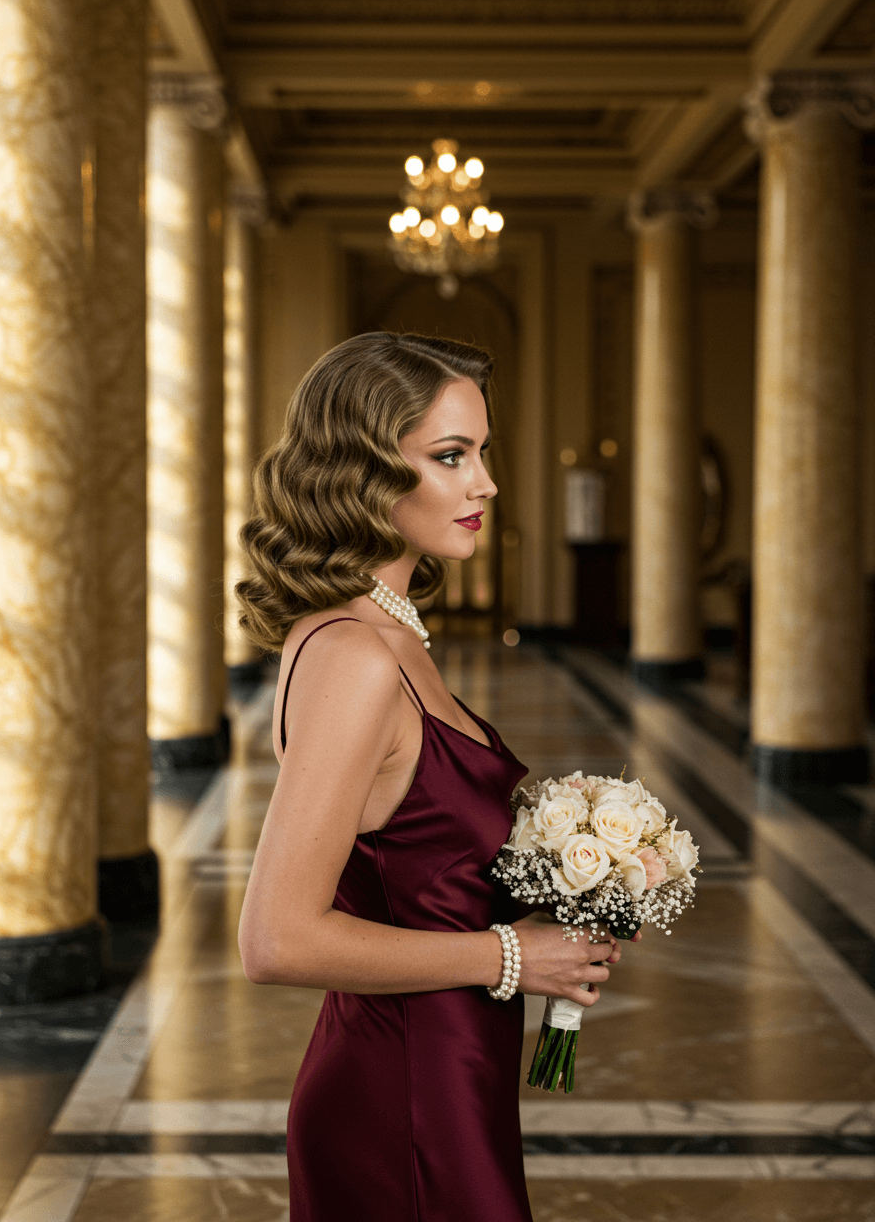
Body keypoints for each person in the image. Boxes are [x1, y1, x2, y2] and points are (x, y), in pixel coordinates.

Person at [236, 331, 631, 1222]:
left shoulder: (393, 634)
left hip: (450, 1076)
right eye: (450, 456)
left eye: (481, 452)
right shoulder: (354, 657)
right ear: (364, 472)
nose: (484, 483)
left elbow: (416, 862)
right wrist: (513, 956)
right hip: (399, 1094)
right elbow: (275, 941)